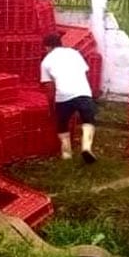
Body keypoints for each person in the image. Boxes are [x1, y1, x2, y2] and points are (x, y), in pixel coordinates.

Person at [40, 33, 97, 163]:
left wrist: (51, 106)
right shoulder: (74, 53)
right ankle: (86, 147)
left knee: (62, 124)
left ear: (48, 47)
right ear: (60, 43)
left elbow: (49, 87)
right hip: (83, 92)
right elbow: (85, 72)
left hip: (63, 96)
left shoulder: (46, 61)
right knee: (88, 120)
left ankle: (66, 153)